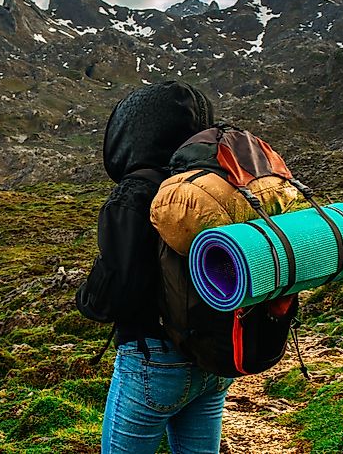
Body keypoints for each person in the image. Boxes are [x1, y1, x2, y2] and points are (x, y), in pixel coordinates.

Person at [76, 80, 232, 454]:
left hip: (153, 362)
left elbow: (117, 289)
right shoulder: (216, 182)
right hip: (214, 360)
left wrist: (87, 299)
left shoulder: (137, 191)